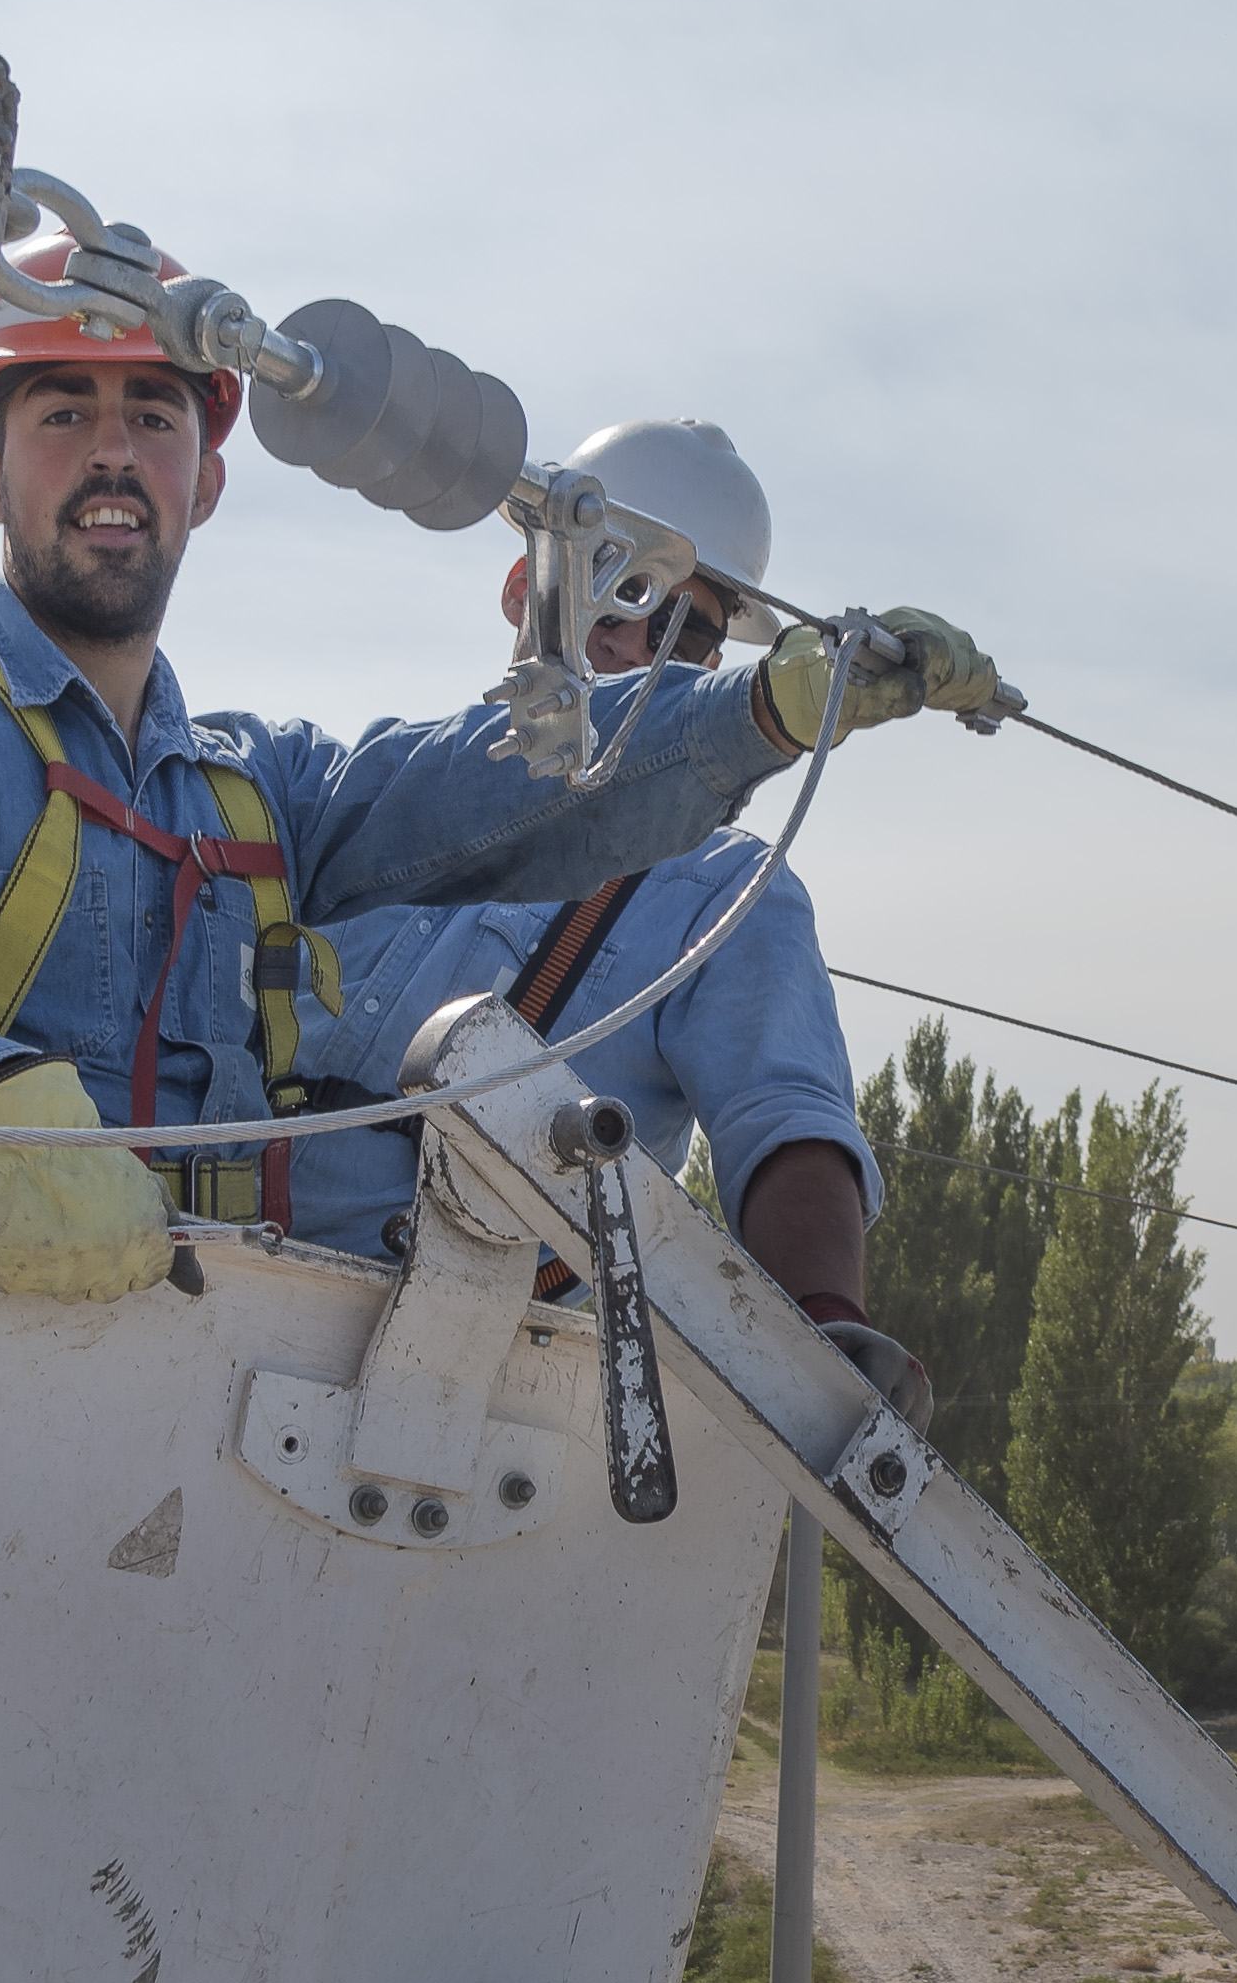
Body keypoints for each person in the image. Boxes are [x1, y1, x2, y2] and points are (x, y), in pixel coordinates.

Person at [0, 278, 1001, 1305]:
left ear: (204, 484)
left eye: (153, 418)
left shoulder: (257, 800)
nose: (111, 455)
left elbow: (475, 799)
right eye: (62, 413)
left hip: (229, 1376)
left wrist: (757, 715)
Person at [285, 422, 925, 1415]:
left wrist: (824, 1329)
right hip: (201, 1294)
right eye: (618, 588)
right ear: (522, 586)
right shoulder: (361, 803)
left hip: (455, 1397)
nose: (640, 641)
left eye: (688, 628)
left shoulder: (721, 888)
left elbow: (785, 1121)